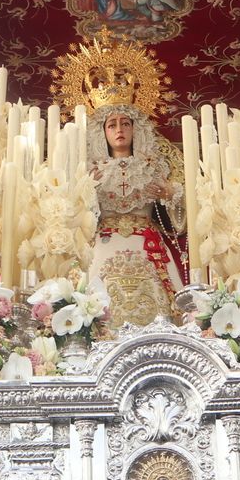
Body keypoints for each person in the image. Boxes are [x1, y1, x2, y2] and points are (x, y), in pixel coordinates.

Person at [88, 104, 186, 323]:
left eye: (125, 124)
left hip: (147, 243)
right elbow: (79, 215)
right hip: (105, 241)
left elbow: (181, 212)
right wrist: (86, 190)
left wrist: (169, 194)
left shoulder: (153, 167)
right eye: (112, 125)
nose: (119, 129)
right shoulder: (93, 171)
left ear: (134, 129)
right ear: (103, 132)